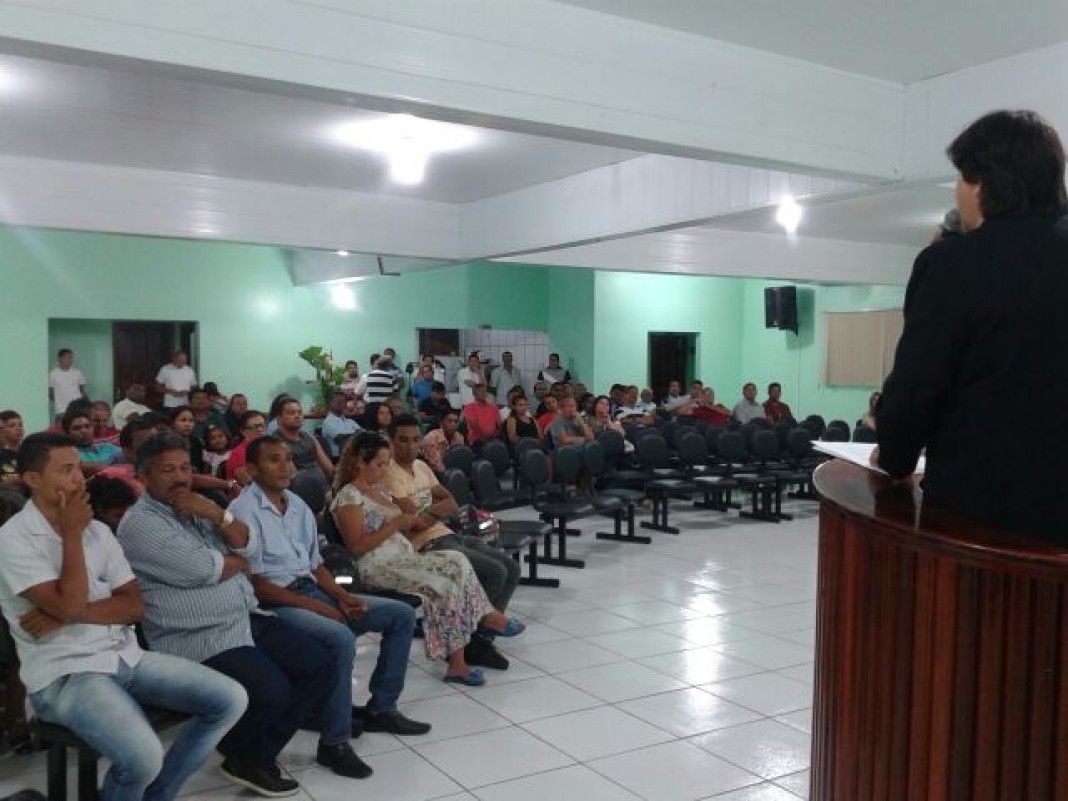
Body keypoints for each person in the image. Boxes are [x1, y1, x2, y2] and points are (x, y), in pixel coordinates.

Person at [0, 433, 248, 801]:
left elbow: (133, 605)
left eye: (79, 468)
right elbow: (71, 603)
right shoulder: (14, 539)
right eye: (66, 470)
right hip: (65, 673)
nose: (78, 479)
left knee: (230, 699)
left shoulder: (97, 530)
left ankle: (156, 795)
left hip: (124, 655)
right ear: (33, 479)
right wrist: (71, 535)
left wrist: (68, 614)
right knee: (144, 758)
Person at [875, 110, 1068, 544]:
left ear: (981, 183)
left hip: (983, 518)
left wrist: (895, 457)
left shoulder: (953, 265)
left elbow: (917, 385)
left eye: (960, 178)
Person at [117, 434, 332, 796]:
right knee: (273, 690)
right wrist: (233, 559)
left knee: (319, 664)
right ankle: (249, 754)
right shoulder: (141, 524)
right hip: (198, 636)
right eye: (168, 470)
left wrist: (217, 514)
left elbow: (250, 546)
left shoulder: (197, 508)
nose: (180, 477)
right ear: (144, 476)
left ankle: (248, 753)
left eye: (185, 468)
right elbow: (205, 569)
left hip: (244, 618)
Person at [229, 438, 431, 746]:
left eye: (288, 458)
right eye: (274, 460)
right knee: (340, 637)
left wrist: (342, 596)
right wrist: (320, 608)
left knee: (401, 615)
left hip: (310, 590)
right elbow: (257, 585)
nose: (285, 466)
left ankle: (382, 708)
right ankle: (335, 742)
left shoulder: (297, 506)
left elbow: (315, 565)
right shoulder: (242, 512)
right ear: (252, 470)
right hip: (275, 605)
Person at [331, 433, 526, 686]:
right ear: (360, 461)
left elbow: (402, 522)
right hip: (377, 566)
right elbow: (356, 546)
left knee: (457, 560)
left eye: (386, 464)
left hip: (401, 556)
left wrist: (407, 522)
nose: (384, 470)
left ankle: (484, 616)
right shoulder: (349, 496)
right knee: (443, 585)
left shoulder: (378, 490)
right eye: (379, 464)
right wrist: (396, 524)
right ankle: (460, 659)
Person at [383, 416, 521, 670]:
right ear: (390, 441)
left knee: (511, 568)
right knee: (495, 572)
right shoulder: (388, 473)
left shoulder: (422, 467)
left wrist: (428, 513)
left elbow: (452, 501)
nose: (411, 446)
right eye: (403, 440)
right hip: (423, 545)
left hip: (446, 532)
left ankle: (479, 638)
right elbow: (413, 523)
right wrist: (435, 510)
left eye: (416, 439)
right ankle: (473, 640)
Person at [274, 399, 334, 511]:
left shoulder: (308, 436)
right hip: (302, 496)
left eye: (299, 412)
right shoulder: (276, 443)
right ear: (279, 419)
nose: (297, 416)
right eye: (291, 413)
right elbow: (295, 479)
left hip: (326, 490)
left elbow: (329, 468)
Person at [62, 408, 120, 474]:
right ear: (67, 434)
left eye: (87, 426)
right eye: (77, 428)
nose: (84, 431)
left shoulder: (107, 447)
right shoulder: (68, 454)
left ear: (92, 428)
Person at [224, 410, 267, 487]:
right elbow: (252, 485)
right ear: (243, 431)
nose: (260, 430)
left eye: (262, 425)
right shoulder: (238, 454)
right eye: (255, 427)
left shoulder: (268, 449)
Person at [420, 411, 464, 475]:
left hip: (451, 472)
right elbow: (437, 466)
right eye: (449, 421)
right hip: (431, 474)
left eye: (455, 421)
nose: (453, 424)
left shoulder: (459, 437)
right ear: (441, 423)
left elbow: (460, 460)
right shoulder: (431, 439)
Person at [48, 349, 86, 422]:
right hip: (61, 410)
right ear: (60, 358)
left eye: (71, 357)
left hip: (77, 410)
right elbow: (51, 393)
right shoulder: (53, 374)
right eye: (67, 357)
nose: (70, 360)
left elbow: (81, 389)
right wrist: (60, 400)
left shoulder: (77, 373)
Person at [321, 391, 360, 460]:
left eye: (343, 401)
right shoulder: (327, 422)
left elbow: (363, 435)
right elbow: (342, 439)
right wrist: (357, 434)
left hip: (355, 457)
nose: (340, 402)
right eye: (336, 399)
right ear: (330, 403)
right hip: (338, 459)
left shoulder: (350, 421)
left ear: (346, 404)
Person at [461, 383, 501, 451]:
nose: (483, 393)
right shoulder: (469, 408)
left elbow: (499, 426)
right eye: (481, 391)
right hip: (477, 441)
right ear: (474, 394)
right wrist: (484, 438)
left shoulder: (494, 408)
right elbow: (473, 425)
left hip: (493, 440)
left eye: (485, 391)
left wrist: (494, 437)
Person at [1, 411, 24, 484]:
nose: (18, 428)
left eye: (20, 425)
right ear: (2, 430)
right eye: (12, 426)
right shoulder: (2, 456)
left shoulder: (29, 452)